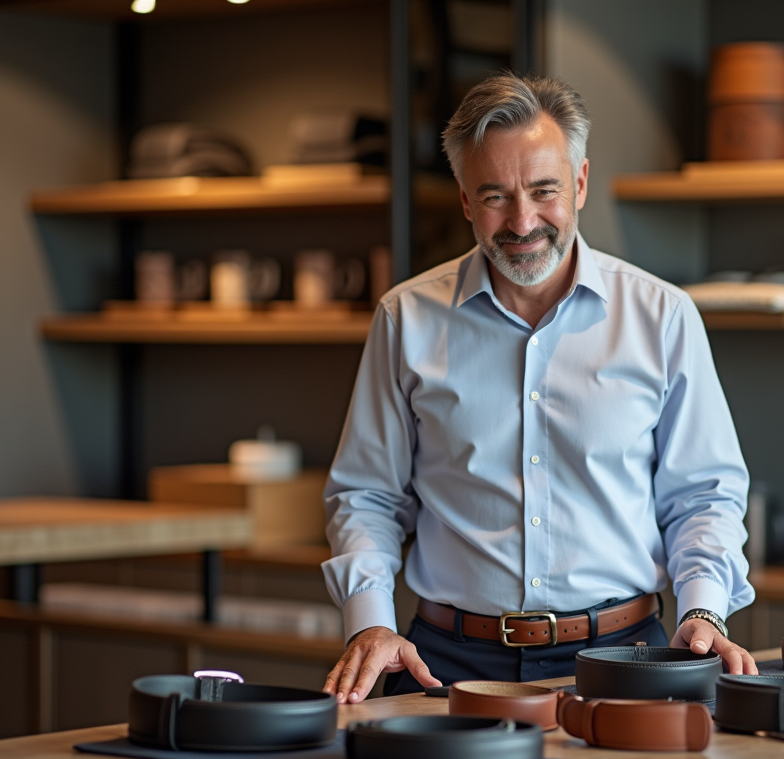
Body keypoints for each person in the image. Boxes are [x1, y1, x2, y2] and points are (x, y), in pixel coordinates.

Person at [322, 73, 757, 704]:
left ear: (579, 184)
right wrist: (369, 621)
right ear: (467, 201)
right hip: (442, 663)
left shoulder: (662, 316)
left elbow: (704, 494)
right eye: (494, 196)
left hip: (626, 658)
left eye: (544, 191)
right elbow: (367, 496)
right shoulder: (404, 318)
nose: (522, 221)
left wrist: (705, 611)